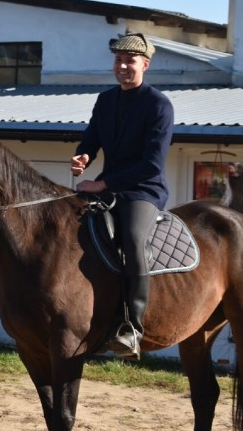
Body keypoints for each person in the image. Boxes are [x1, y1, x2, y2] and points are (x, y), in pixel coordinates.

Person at [71, 32, 174, 361]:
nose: (122, 66)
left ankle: (132, 328)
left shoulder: (159, 105)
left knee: (131, 240)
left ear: (145, 64)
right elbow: (91, 138)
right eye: (118, 60)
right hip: (108, 186)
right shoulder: (105, 100)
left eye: (130, 60)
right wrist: (83, 155)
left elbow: (152, 164)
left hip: (142, 190)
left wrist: (103, 184)